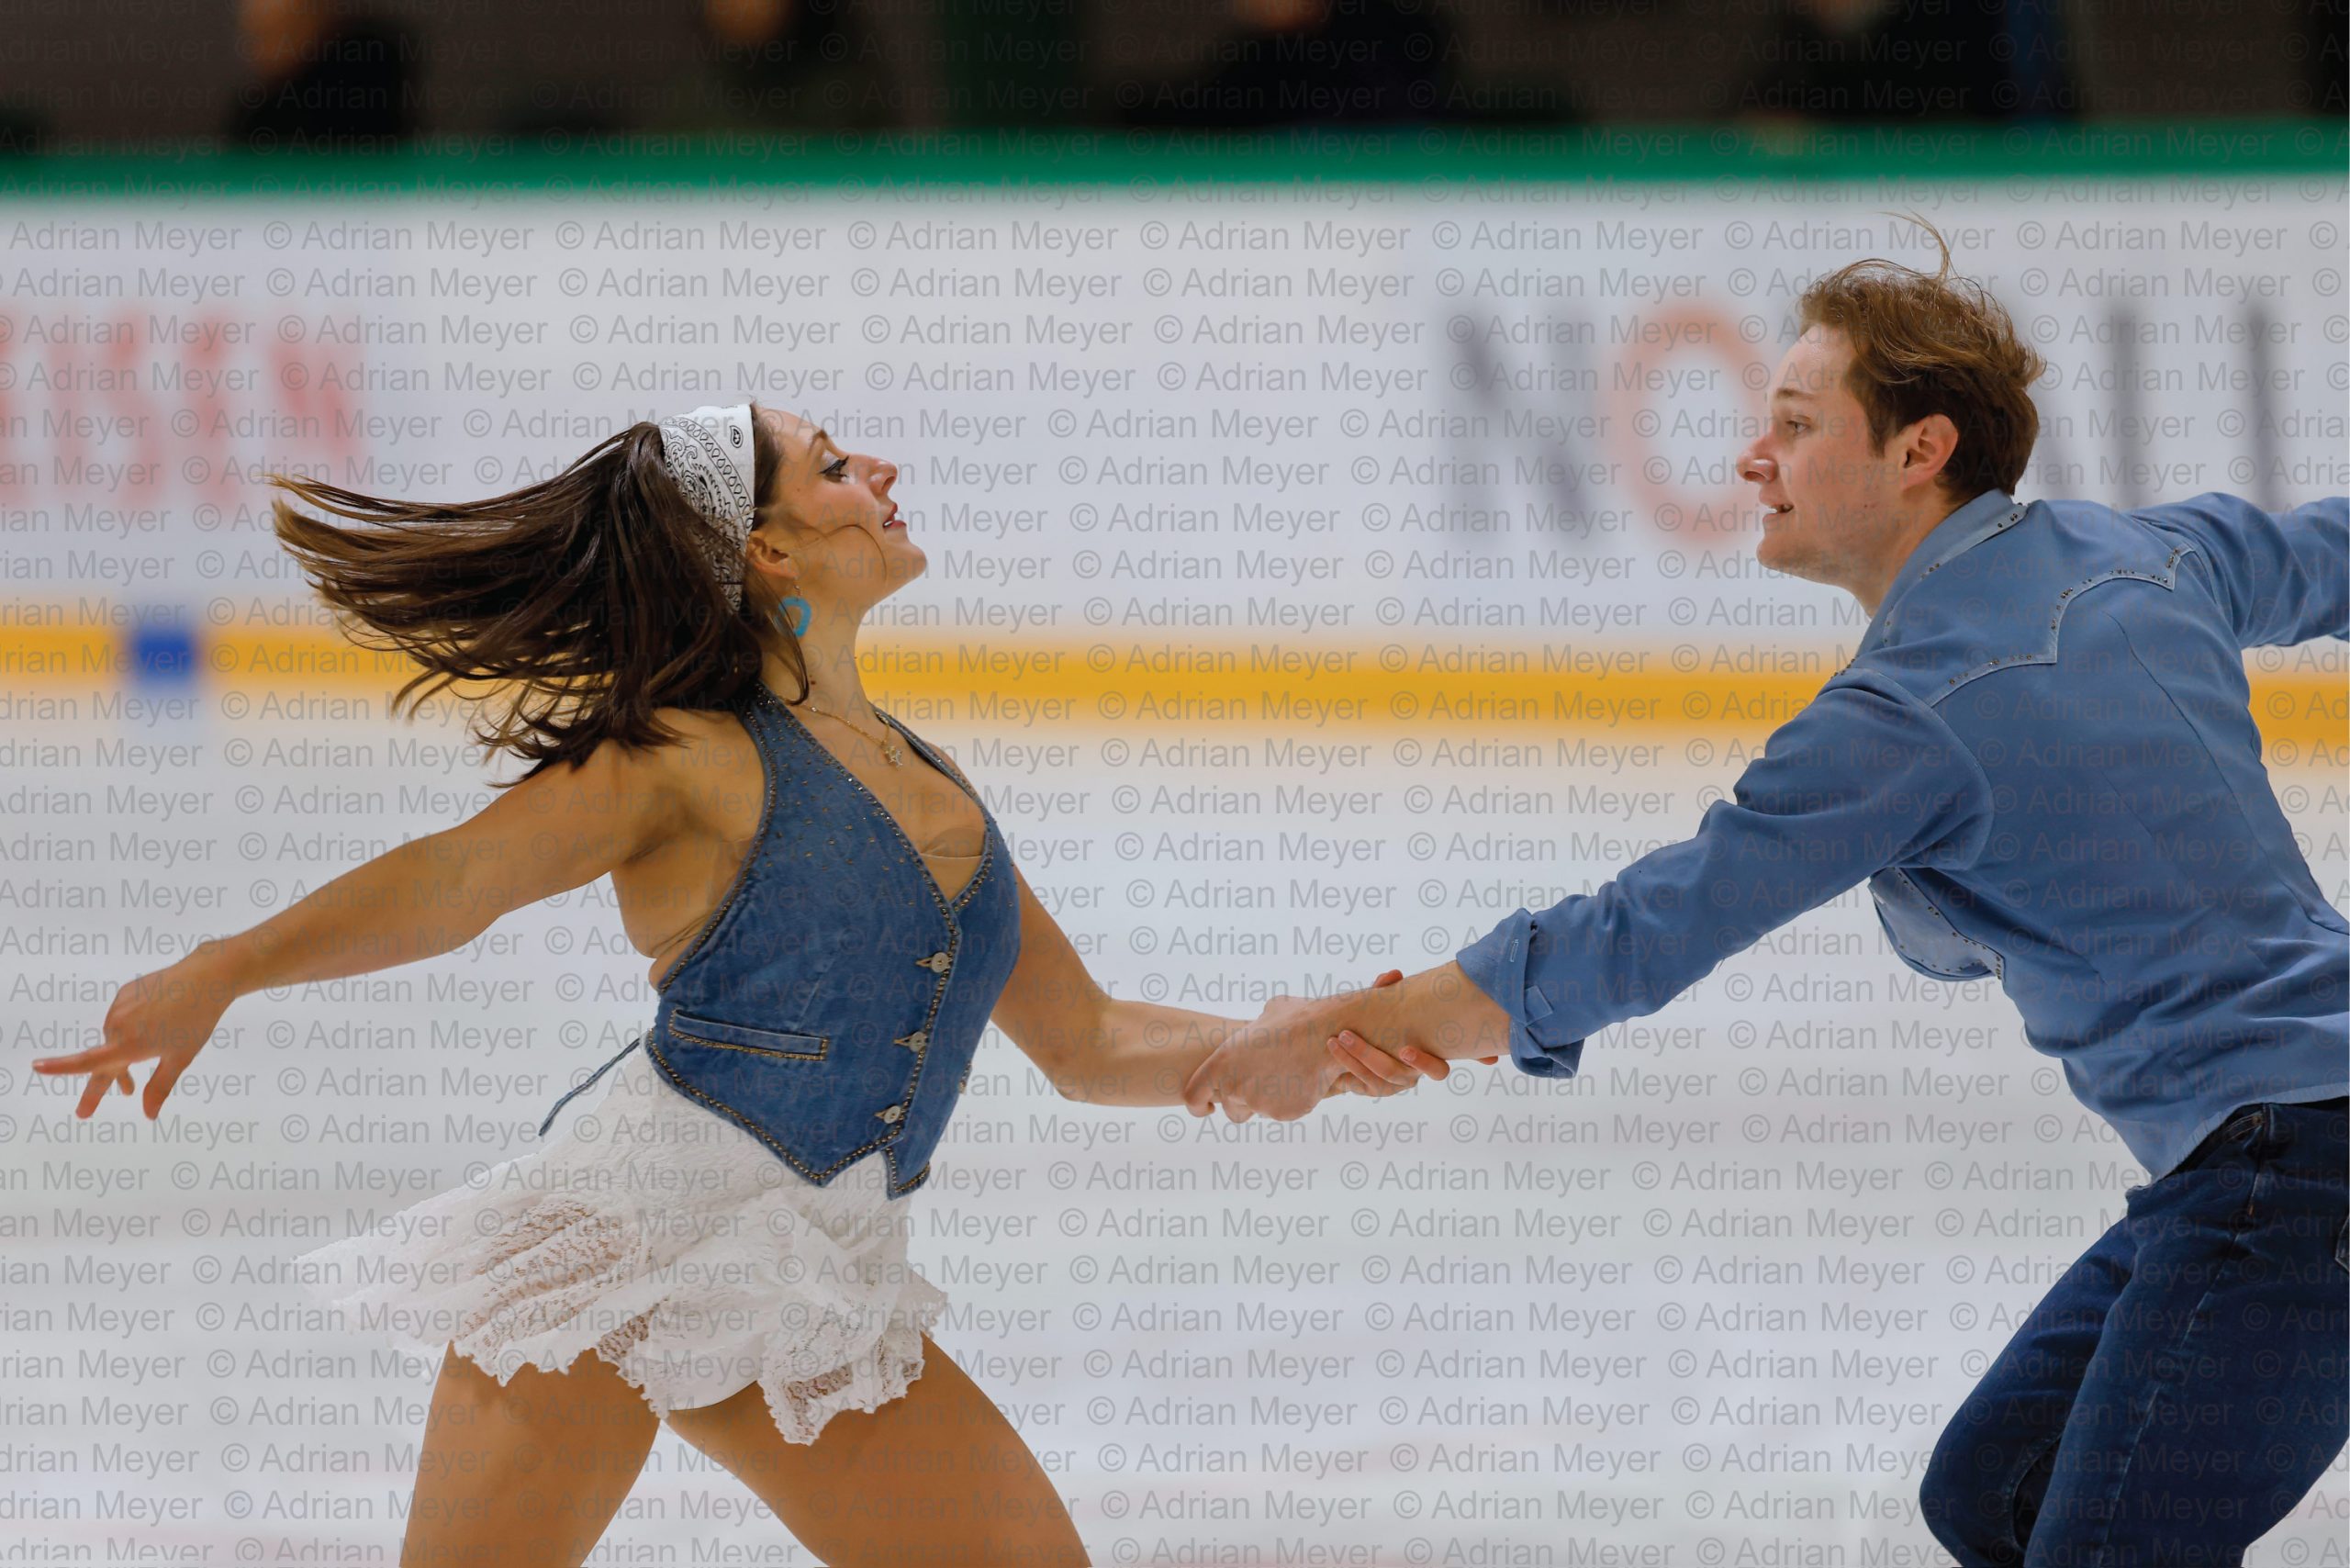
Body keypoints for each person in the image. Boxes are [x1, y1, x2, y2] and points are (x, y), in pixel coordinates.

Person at [31, 402, 1449, 1566]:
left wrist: (1303, 1037)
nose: (880, 470)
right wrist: (227, 968)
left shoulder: (927, 777)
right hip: (615, 1240)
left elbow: (1085, 1042)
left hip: (817, 1279)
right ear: (767, 548)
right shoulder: (689, 758)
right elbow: (456, 880)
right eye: (836, 467)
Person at [1188, 224, 2350, 1560]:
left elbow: (1640, 933)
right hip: (2256, 1159)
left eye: (1795, 426)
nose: (1752, 459)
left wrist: (1340, 1028)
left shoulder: (1905, 714)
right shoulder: (2153, 554)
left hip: (2293, 1177)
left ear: (1920, 451)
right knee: (1993, 1490)